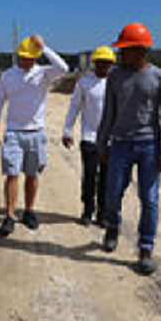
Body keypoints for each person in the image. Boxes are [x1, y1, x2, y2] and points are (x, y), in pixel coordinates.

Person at [96, 22, 161, 276]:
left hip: (149, 145)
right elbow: (109, 112)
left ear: (140, 50)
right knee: (112, 193)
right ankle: (112, 226)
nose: (120, 55)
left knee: (149, 199)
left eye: (125, 50)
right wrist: (102, 143)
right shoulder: (116, 77)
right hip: (120, 143)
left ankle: (145, 247)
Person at [0, 34, 69, 237]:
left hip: (36, 132)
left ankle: (29, 211)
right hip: (14, 132)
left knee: (32, 175)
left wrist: (45, 47)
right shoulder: (7, 76)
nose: (26, 60)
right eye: (23, 57)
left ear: (36, 57)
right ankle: (9, 215)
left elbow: (64, 68)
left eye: (30, 57)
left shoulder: (43, 74)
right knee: (12, 174)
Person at [62, 46, 116, 227]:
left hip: (111, 139)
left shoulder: (116, 83)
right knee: (90, 176)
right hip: (89, 137)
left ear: (111, 64)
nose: (103, 66)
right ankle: (87, 209)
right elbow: (74, 107)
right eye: (100, 62)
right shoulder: (84, 83)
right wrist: (67, 130)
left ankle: (102, 213)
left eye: (107, 63)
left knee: (107, 178)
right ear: (95, 63)